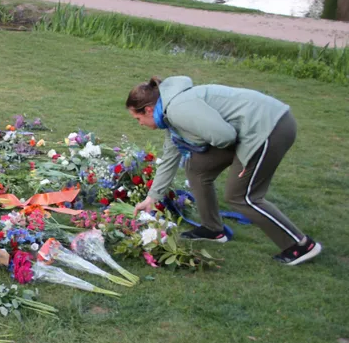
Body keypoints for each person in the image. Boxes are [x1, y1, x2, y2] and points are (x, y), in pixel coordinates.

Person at [127, 76, 321, 266]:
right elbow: (170, 157)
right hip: (246, 131)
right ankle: (213, 229)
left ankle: (301, 245)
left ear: (149, 110)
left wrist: (197, 142)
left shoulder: (178, 109)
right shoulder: (169, 117)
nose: (140, 124)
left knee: (240, 195)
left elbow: (224, 136)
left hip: (269, 127)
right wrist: (152, 198)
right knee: (197, 168)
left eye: (137, 118)